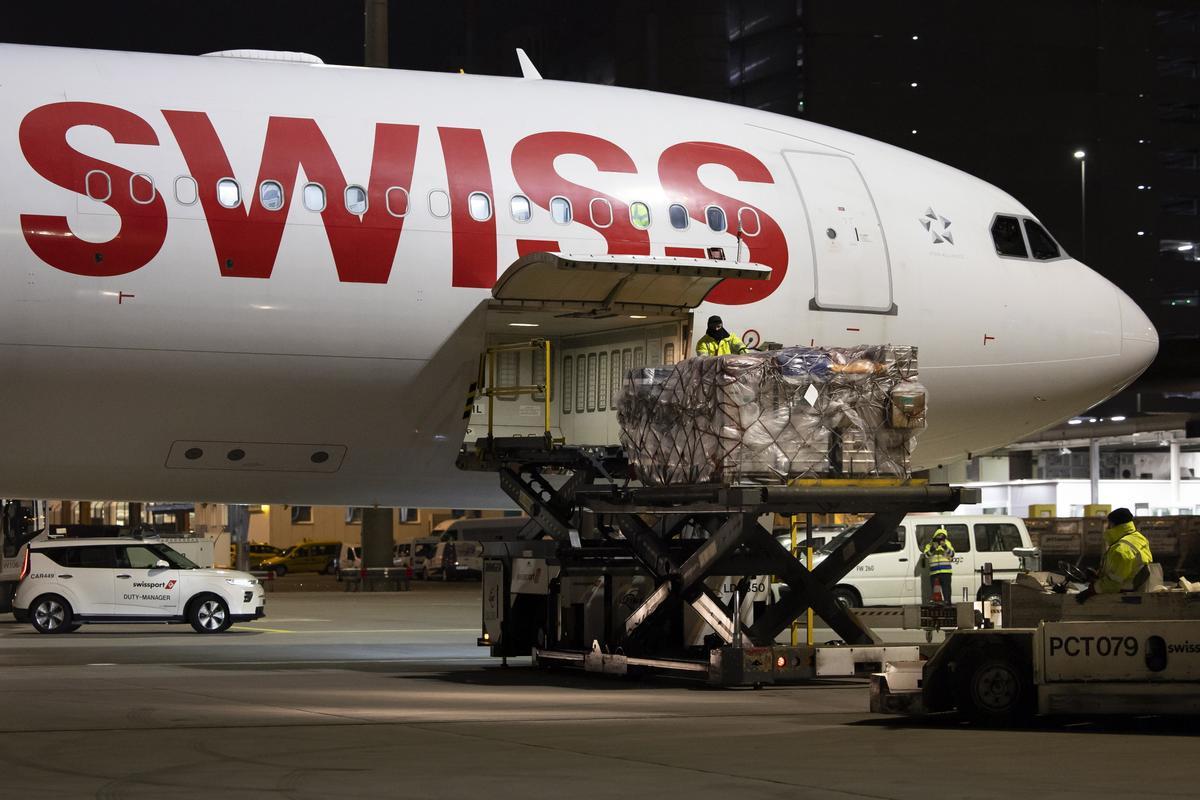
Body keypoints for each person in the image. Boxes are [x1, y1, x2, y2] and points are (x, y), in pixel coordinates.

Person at [1075, 507, 1152, 603]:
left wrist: (1091, 590)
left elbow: (1113, 584)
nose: (1107, 527)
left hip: (1124, 595)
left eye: (1109, 524)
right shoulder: (1138, 538)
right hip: (1138, 587)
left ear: (1114, 524)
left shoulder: (1121, 549)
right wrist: (1098, 576)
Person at [922, 527, 955, 603]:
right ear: (935, 537)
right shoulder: (929, 545)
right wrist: (932, 548)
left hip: (946, 572)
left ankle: (948, 604)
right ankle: (937, 606)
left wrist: (945, 547)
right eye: (938, 537)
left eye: (942, 537)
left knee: (947, 591)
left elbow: (952, 554)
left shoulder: (947, 543)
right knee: (936, 593)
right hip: (934, 572)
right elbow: (926, 556)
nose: (940, 539)